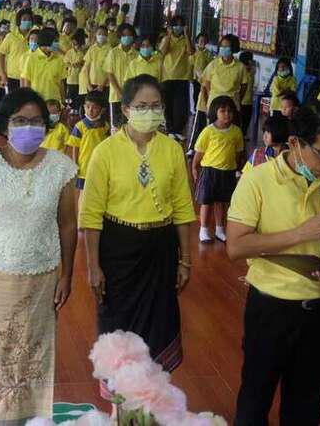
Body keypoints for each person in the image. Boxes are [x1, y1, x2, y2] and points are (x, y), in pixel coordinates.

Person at [227, 101, 320, 425]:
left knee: (305, 402)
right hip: (271, 307)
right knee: (255, 396)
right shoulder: (258, 180)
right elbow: (236, 246)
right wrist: (300, 233)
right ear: (295, 143)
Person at [0, 88, 79, 425]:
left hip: (43, 279)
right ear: (5, 125)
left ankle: (34, 418)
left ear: (46, 125)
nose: (29, 127)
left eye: (36, 121)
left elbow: (68, 225)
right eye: (20, 120)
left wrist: (66, 275)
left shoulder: (61, 167)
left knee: (35, 353)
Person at [80, 75, 197, 399]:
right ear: (126, 109)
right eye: (142, 106)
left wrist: (186, 260)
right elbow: (91, 215)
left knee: (159, 325)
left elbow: (183, 208)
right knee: (117, 326)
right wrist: (93, 266)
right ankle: (119, 404)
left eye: (156, 106)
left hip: (160, 250)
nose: (150, 112)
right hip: (118, 251)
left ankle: (150, 402)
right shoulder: (105, 152)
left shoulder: (172, 149)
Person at [193, 95, 244, 244]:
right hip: (210, 171)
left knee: (221, 202)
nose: (227, 114)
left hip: (227, 171)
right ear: (215, 112)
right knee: (207, 202)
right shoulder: (208, 131)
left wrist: (236, 168)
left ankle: (220, 229)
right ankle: (203, 229)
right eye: (222, 111)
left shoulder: (236, 131)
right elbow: (199, 152)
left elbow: (238, 152)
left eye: (230, 111)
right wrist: (194, 167)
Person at [159, 17, 194, 141]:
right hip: (167, 76)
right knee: (168, 104)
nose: (178, 27)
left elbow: (191, 52)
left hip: (182, 77)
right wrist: (169, 35)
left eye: (181, 25)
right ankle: (170, 129)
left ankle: (178, 129)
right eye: (176, 25)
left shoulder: (186, 40)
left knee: (181, 106)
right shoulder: (166, 39)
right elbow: (163, 52)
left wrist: (187, 35)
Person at [68, 91, 110, 192]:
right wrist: (74, 164)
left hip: (101, 165)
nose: (90, 110)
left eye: (94, 107)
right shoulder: (79, 126)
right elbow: (75, 147)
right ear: (84, 107)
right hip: (84, 167)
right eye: (87, 107)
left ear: (102, 110)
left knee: (100, 191)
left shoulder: (106, 126)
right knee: (83, 193)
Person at [201, 34, 248, 112]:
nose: (223, 48)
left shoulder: (240, 67)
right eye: (222, 46)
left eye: (226, 47)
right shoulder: (213, 64)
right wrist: (211, 96)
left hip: (232, 105)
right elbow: (206, 83)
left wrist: (237, 99)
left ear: (233, 48)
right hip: (214, 105)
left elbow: (244, 86)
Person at [104, 25, 138, 129]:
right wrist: (119, 92)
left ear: (133, 37)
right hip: (116, 97)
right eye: (124, 35)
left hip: (132, 97)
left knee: (131, 125)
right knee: (116, 126)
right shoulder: (113, 53)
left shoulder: (136, 55)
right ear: (119, 37)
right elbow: (109, 74)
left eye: (129, 35)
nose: (126, 37)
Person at [22, 29, 66, 103]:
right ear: (47, 40)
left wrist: (63, 100)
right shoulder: (31, 58)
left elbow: (61, 83)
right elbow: (27, 82)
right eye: (55, 41)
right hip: (37, 101)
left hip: (55, 102)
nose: (58, 44)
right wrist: (28, 101)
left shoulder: (59, 59)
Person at [0, 9, 33, 93]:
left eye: (29, 19)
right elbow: (1, 54)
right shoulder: (11, 36)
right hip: (13, 77)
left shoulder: (34, 37)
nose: (27, 21)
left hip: (30, 77)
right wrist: (3, 74)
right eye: (24, 19)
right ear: (19, 21)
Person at [82, 25, 112, 94]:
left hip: (105, 85)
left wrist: (102, 85)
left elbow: (110, 69)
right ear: (96, 34)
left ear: (107, 35)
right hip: (91, 84)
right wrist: (88, 84)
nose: (101, 36)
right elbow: (87, 67)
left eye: (104, 34)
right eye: (99, 34)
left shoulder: (110, 50)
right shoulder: (92, 48)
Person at [64, 29, 87, 113]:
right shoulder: (69, 52)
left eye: (76, 44)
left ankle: (78, 110)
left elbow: (86, 62)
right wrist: (71, 65)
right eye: (72, 44)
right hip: (71, 79)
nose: (74, 45)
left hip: (80, 80)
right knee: (70, 96)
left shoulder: (83, 52)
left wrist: (81, 63)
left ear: (80, 44)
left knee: (79, 96)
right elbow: (66, 62)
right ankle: (71, 109)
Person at [239, 51, 256, 137]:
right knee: (240, 121)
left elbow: (253, 68)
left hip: (249, 101)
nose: (252, 61)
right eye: (250, 59)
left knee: (247, 121)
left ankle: (243, 135)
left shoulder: (252, 70)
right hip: (241, 101)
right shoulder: (240, 70)